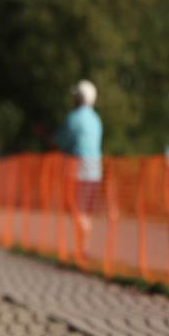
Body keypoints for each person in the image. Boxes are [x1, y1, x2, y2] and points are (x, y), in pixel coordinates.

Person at [55, 79, 103, 235]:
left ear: (78, 98)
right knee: (85, 212)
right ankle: (82, 249)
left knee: (74, 207)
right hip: (95, 173)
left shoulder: (74, 118)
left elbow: (63, 142)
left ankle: (82, 246)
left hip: (77, 172)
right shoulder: (96, 119)